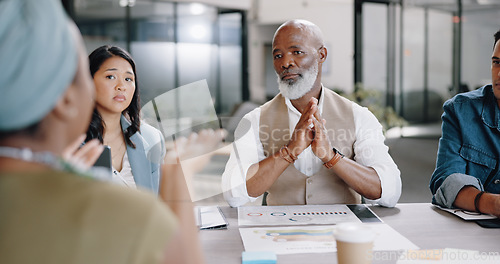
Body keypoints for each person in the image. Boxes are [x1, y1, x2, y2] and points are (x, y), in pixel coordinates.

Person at [0, 0, 203, 263]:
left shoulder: (149, 139)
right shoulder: (127, 217)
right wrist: (178, 181)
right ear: (65, 99)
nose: (121, 86)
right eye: (85, 75)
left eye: (129, 79)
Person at [222, 19, 401, 207]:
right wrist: (289, 152)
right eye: (277, 56)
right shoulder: (254, 120)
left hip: (342, 232)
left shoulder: (359, 116)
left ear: (321, 55)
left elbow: (389, 192)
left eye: (297, 52)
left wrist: (331, 157)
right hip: (280, 233)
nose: (286, 62)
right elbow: (234, 195)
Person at [430, 29, 500, 217]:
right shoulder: (461, 110)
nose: (499, 73)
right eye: (496, 63)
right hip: (473, 234)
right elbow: (445, 183)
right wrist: (492, 204)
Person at [85, 45, 165, 194]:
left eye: (128, 78)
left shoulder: (152, 138)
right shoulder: (69, 141)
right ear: (88, 81)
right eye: (111, 77)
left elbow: (159, 204)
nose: (121, 86)